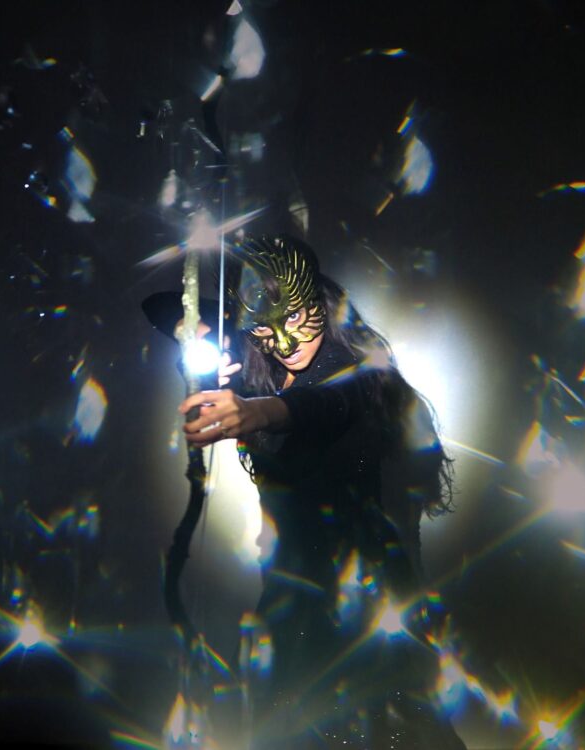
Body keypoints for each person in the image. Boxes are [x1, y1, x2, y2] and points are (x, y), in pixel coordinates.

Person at [150, 234, 466, 749]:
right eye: (267, 327)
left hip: (367, 594)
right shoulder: (260, 351)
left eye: (296, 318)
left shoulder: (358, 368)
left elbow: (326, 403)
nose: (286, 340)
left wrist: (259, 411)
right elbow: (159, 306)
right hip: (291, 596)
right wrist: (203, 332)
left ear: (319, 301)